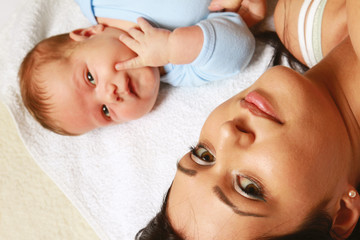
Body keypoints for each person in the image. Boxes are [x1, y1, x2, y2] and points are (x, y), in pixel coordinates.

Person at [135, 0, 360, 239]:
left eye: (204, 155)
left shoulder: (299, 26)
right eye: (249, 188)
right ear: (342, 214)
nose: (227, 133)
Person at [18, 0, 258, 136]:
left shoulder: (98, 4)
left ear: (87, 33)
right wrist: (172, 47)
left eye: (90, 78)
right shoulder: (181, 67)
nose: (110, 96)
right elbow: (239, 49)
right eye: (104, 111)